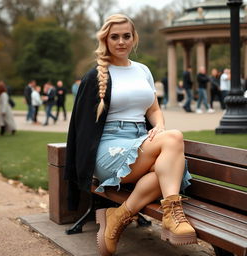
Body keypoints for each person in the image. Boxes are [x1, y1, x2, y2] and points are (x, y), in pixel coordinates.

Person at [65, 14, 197, 256]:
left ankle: (118, 217)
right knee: (174, 139)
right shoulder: (95, 76)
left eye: (126, 36)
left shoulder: (143, 70)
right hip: (109, 149)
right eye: (114, 37)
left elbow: (154, 109)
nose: (121, 42)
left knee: (165, 171)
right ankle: (173, 215)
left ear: (134, 38)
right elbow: (80, 129)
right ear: (105, 40)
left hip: (140, 142)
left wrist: (158, 126)